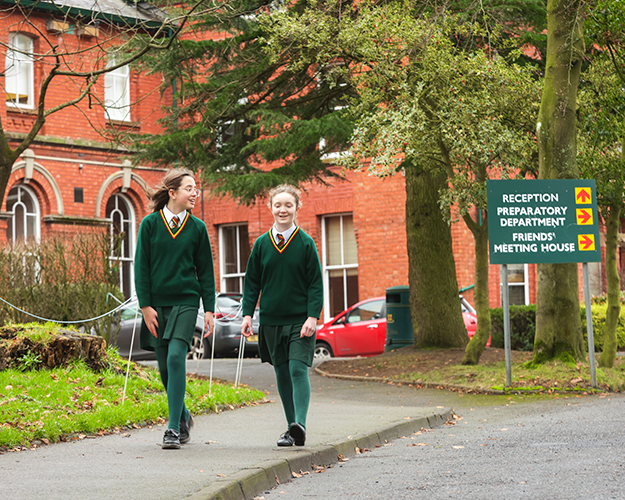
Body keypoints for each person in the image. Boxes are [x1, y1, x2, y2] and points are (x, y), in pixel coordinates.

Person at [134, 168, 215, 450]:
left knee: (177, 357)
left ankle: (171, 429)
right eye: (189, 188)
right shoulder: (150, 225)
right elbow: (141, 268)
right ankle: (183, 416)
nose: (195, 193)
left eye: (196, 188)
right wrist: (145, 306)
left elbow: (206, 272)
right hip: (156, 305)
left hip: (185, 301)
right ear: (173, 193)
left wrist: (209, 309)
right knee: (165, 366)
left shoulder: (198, 228)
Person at [241, 184, 323, 447]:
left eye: (288, 205)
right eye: (278, 205)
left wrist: (313, 316)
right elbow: (252, 282)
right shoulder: (262, 245)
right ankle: (292, 429)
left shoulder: (305, 243)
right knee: (282, 373)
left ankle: (300, 424)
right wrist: (246, 315)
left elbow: (315, 283)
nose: (283, 210)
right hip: (271, 322)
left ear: (297, 207)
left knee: (298, 368)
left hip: (300, 322)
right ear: (270, 207)